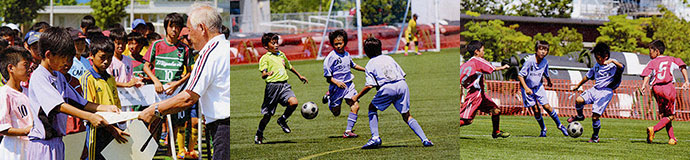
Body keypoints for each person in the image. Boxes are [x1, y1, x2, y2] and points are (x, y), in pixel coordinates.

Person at [137, 3, 230, 159]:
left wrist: (155, 109)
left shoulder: (209, 53)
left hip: (223, 126)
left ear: (202, 28)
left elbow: (188, 97)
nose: (187, 36)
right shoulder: (223, 47)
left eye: (190, 30)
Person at [24, 27, 122, 160]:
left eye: (70, 59)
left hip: (58, 142)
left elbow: (81, 102)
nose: (67, 63)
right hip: (42, 145)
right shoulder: (39, 76)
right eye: (63, 58)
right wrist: (89, 117)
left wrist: (105, 107)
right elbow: (58, 106)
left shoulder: (59, 76)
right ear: (48, 55)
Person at [352, 37, 432, 149]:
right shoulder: (389, 58)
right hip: (402, 85)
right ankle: (425, 140)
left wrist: (356, 96)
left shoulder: (370, 64)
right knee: (407, 115)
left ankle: (375, 138)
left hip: (388, 88)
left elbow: (370, 85)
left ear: (367, 51)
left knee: (372, 108)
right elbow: (402, 74)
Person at [252, 32, 308, 144]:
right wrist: (266, 74)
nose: (276, 45)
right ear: (266, 46)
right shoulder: (265, 58)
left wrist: (299, 75)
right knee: (267, 115)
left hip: (284, 85)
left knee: (294, 102)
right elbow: (263, 74)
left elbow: (289, 66)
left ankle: (282, 119)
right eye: (273, 43)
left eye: (277, 42)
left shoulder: (281, 55)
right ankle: (259, 133)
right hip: (272, 88)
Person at [568, 42, 624, 143]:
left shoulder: (612, 65)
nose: (597, 60)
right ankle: (580, 116)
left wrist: (612, 61)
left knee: (595, 117)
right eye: (596, 58)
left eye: (598, 58)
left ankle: (595, 137)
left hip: (605, 92)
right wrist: (578, 85)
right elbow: (587, 76)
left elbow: (621, 67)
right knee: (579, 100)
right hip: (595, 89)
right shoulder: (597, 66)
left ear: (605, 56)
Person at [458, 40, 511, 138]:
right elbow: (491, 68)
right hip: (475, 95)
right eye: (483, 50)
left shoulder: (468, 63)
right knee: (467, 120)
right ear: (476, 52)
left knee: (496, 111)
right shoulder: (477, 60)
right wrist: (503, 67)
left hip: (481, 95)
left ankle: (496, 132)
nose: (484, 52)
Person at [640, 40, 690, 145]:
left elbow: (647, 75)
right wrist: (686, 81)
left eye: (650, 51)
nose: (649, 53)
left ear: (657, 51)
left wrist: (644, 85)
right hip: (668, 87)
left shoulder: (652, 62)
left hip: (656, 89)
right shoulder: (671, 59)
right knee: (671, 115)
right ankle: (654, 129)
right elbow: (682, 66)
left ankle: (672, 138)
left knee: (666, 115)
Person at [518, 41, 569, 137]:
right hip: (528, 88)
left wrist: (549, 81)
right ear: (536, 50)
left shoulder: (545, 62)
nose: (543, 52)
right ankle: (543, 129)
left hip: (538, 87)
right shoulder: (530, 61)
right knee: (536, 110)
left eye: (545, 50)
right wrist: (526, 88)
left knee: (547, 107)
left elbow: (545, 72)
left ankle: (560, 125)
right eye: (541, 49)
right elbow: (520, 75)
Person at [321, 29, 365, 138]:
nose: (338, 46)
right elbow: (328, 76)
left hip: (349, 85)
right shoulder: (331, 57)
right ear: (332, 44)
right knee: (336, 113)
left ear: (344, 42)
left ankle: (348, 131)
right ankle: (329, 97)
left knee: (355, 105)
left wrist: (366, 69)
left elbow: (353, 65)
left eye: (340, 43)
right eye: (336, 44)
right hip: (336, 87)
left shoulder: (347, 54)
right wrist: (336, 82)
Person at [0, 46, 34, 160]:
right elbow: (3, 128)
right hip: (14, 149)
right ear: (11, 68)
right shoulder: (4, 94)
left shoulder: (28, 91)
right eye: (25, 65)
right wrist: (26, 130)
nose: (29, 69)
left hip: (30, 145)